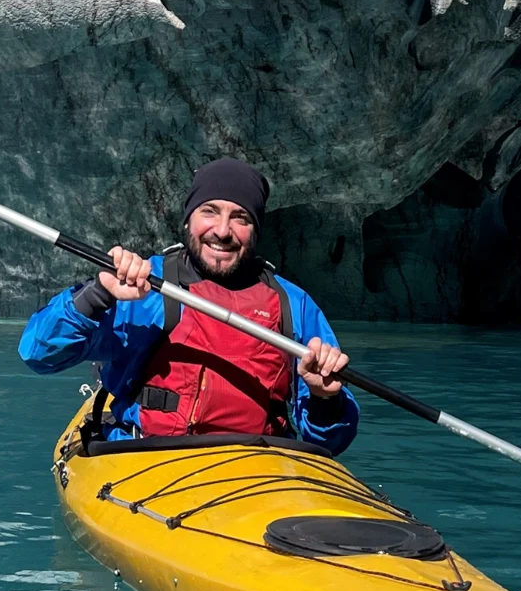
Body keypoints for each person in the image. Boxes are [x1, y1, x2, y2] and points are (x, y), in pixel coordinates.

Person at [18, 158, 360, 454]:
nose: (222, 231)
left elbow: (332, 441)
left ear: (255, 230)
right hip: (146, 455)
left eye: (240, 217)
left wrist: (324, 399)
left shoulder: (292, 305)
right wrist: (98, 294)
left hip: (260, 465)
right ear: (187, 221)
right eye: (209, 212)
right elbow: (39, 355)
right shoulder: (143, 286)